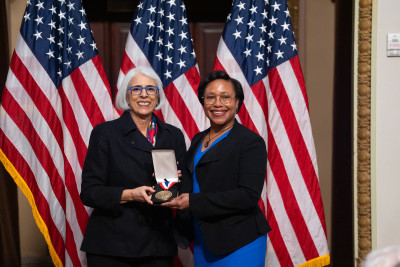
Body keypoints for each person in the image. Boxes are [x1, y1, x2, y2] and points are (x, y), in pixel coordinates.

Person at [163, 70, 271, 266]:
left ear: (237, 102)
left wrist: (193, 202)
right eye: (210, 97)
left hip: (239, 240)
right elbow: (195, 179)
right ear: (203, 102)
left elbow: (247, 196)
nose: (217, 103)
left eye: (226, 97)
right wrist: (166, 183)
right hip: (204, 238)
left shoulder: (250, 142)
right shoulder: (198, 139)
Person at [80, 66, 186, 267]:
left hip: (158, 244)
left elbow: (180, 190)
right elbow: (90, 192)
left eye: (150, 89)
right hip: (111, 246)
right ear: (126, 97)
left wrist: (175, 185)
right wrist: (131, 194)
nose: (144, 95)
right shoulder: (105, 133)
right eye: (136, 89)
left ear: (158, 96)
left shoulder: (173, 135)